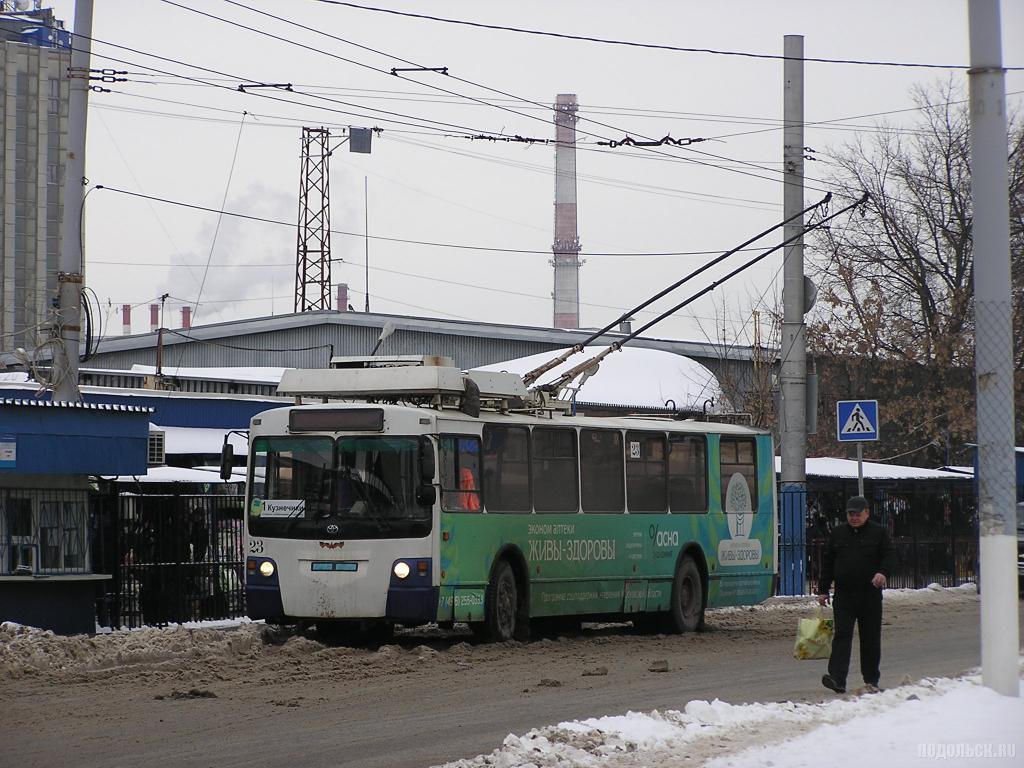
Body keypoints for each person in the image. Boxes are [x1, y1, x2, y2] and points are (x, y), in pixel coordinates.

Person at [817, 495, 897, 695]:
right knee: (842, 635)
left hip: (869, 594)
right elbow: (828, 563)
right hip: (844, 594)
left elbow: (890, 555)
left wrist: (883, 572)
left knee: (870, 638)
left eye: (857, 514)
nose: (854, 517)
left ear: (867, 513)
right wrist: (823, 589)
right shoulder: (838, 533)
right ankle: (837, 678)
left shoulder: (878, 533)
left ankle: (871, 680)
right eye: (850, 514)